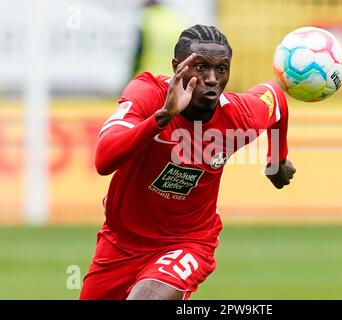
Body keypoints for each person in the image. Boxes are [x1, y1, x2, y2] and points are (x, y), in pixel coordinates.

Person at [80, 24, 296, 300]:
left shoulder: (240, 116)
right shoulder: (148, 93)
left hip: (188, 242)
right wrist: (161, 119)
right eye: (201, 67)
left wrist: (276, 157)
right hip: (121, 243)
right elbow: (103, 159)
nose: (212, 78)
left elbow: (276, 98)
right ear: (176, 67)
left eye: (222, 69)